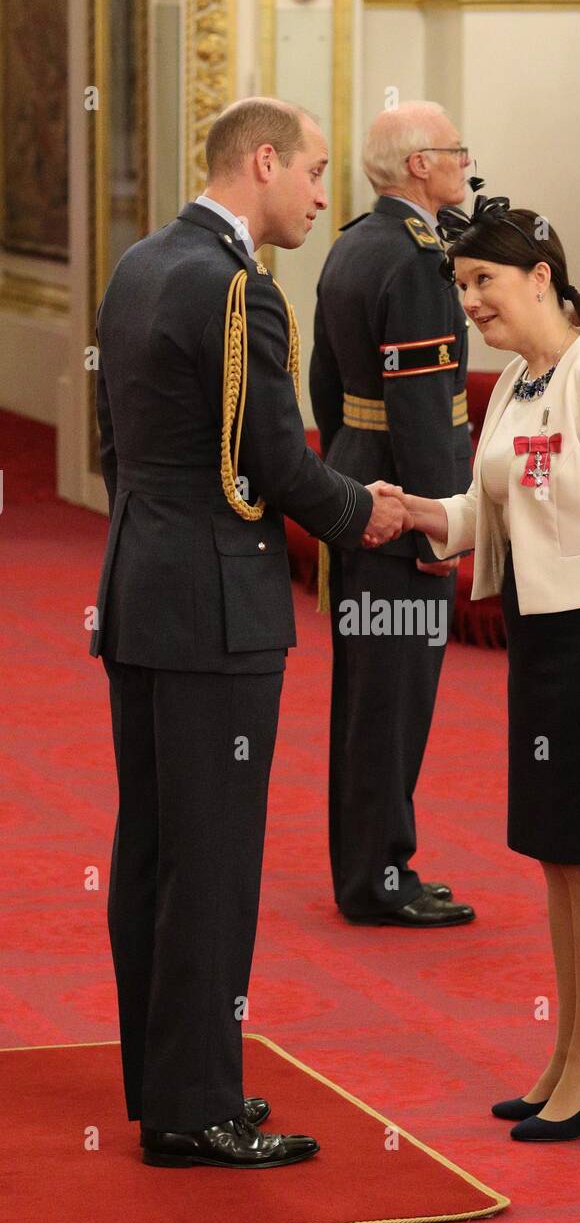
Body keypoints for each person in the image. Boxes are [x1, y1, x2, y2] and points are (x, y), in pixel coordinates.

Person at [89, 97, 410, 1168]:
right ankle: (195, 1107)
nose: (323, 195)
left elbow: (113, 450)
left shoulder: (137, 264)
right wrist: (371, 513)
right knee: (215, 861)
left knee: (154, 846)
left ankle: (165, 1077)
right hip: (218, 611)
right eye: (314, 173)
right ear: (261, 162)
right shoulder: (238, 290)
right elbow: (274, 464)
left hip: (141, 588)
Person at [383, 197, 580, 1142]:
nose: (471, 302)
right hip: (541, 641)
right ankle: (567, 1058)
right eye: (462, 285)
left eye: (484, 282)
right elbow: (484, 506)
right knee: (557, 856)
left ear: (542, 277)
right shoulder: (516, 381)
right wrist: (423, 513)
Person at [308, 101, 476, 928]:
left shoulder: (350, 243)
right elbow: (420, 407)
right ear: (417, 165)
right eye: (455, 151)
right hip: (400, 511)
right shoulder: (415, 262)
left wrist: (348, 465)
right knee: (393, 701)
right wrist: (438, 522)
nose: (466, 163)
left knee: (367, 696)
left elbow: (323, 381)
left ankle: (366, 865)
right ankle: (378, 877)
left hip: (354, 484)